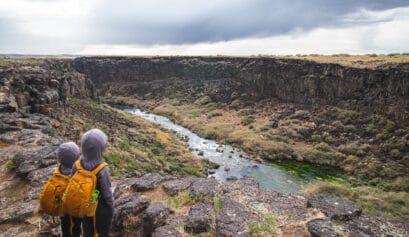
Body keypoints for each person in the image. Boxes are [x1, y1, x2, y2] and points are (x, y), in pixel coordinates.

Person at [72, 128, 114, 237]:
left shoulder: (77, 165)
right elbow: (107, 194)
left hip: (83, 205)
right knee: (101, 231)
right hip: (99, 208)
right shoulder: (102, 169)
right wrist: (111, 208)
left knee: (87, 227)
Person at [57, 142, 82, 237]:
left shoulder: (57, 172)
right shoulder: (79, 174)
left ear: (59, 158)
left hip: (63, 209)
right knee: (76, 227)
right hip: (76, 209)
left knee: (65, 227)